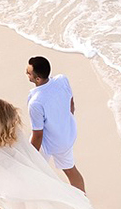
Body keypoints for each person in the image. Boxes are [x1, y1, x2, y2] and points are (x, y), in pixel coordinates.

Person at [24, 55, 85, 191]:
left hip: (52, 142)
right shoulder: (62, 79)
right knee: (71, 170)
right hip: (66, 135)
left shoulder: (35, 103)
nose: (26, 73)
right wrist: (61, 123)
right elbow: (71, 104)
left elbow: (38, 135)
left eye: (29, 73)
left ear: (37, 79)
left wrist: (30, 156)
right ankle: (84, 202)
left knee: (30, 172)